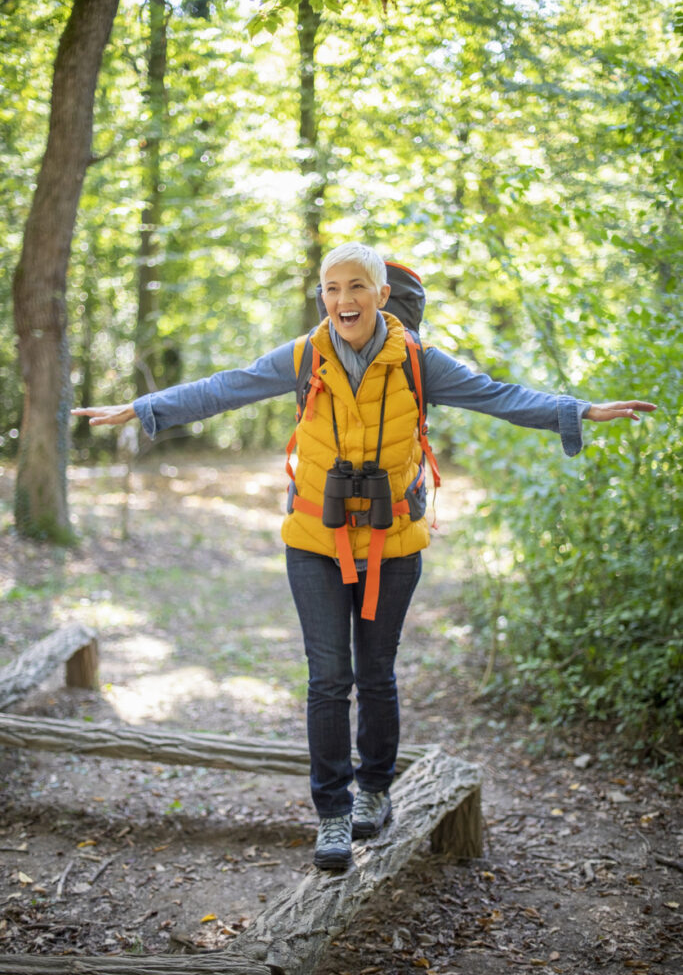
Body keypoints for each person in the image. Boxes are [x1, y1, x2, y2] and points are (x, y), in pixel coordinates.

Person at [72, 241, 656, 871]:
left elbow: (497, 395)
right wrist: (143, 408)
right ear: (321, 296)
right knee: (328, 679)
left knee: (375, 674)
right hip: (316, 541)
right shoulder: (303, 356)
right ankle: (333, 815)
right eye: (331, 288)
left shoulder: (418, 362)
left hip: (393, 541)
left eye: (356, 288)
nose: (342, 300)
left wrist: (577, 410)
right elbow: (226, 388)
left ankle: (375, 789)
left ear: (381, 295)